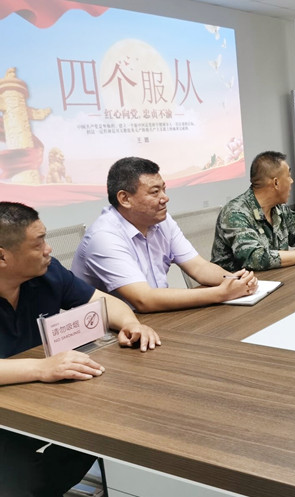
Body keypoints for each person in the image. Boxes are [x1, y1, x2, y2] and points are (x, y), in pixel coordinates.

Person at [0, 202, 160, 496]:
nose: (48, 249)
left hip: (42, 402)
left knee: (109, 431)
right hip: (8, 417)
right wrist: (41, 368)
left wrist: (130, 323)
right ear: (2, 256)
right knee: (22, 481)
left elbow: (103, 302)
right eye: (38, 243)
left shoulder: (48, 274)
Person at [72, 157, 257, 313]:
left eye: (164, 189)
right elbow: (143, 299)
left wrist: (236, 282)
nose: (165, 198)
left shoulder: (162, 220)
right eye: (155, 192)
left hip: (155, 317)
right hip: (109, 334)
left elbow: (199, 267)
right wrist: (221, 294)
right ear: (125, 199)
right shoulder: (104, 237)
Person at [212, 151, 295, 271]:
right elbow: (256, 258)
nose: (291, 181)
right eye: (289, 176)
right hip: (234, 285)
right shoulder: (235, 213)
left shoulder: (278, 208)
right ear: (276, 183)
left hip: (272, 278)